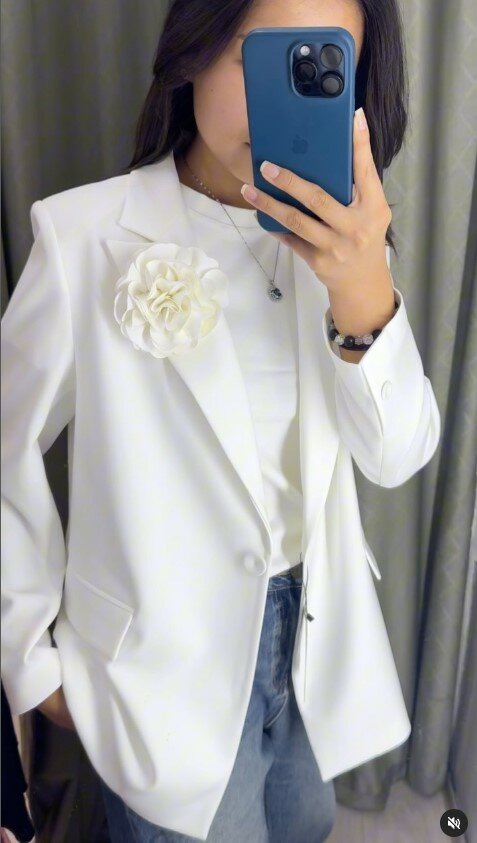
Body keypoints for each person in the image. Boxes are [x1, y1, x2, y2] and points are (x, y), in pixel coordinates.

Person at [1, 0, 441, 840]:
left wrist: (362, 295)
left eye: (321, 63)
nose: (285, 92)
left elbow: (396, 458)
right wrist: (27, 656)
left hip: (316, 638)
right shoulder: (83, 236)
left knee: (303, 823)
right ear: (191, 51)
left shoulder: (349, 242)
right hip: (159, 666)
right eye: (256, 55)